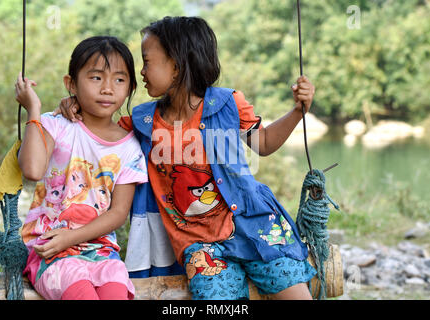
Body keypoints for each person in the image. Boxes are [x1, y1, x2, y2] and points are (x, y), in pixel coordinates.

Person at [57, 16, 317, 300]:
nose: (140, 72)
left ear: (177, 67)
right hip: (200, 245)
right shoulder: (144, 121)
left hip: (257, 227)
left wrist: (297, 112)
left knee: (294, 292)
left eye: (147, 62)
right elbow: (102, 131)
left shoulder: (228, 104)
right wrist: (75, 104)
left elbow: (264, 143)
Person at [16, 36, 148, 300]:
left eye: (119, 80)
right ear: (71, 84)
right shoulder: (56, 125)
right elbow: (32, 169)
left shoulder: (130, 147)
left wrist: (73, 237)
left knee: (115, 293)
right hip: (50, 246)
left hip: (101, 251)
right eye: (96, 77)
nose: (108, 88)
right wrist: (34, 110)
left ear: (131, 88)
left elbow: (118, 212)